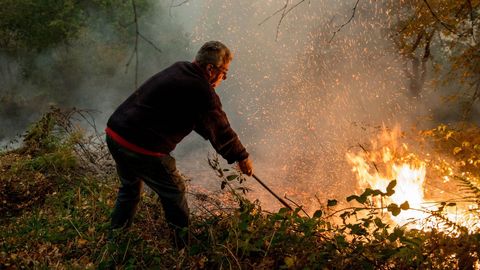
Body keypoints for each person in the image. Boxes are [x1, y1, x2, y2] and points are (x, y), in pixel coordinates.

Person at [105, 40, 253, 247]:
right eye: (224, 72)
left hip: (116, 133)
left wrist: (225, 147)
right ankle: (183, 248)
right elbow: (220, 128)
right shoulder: (203, 91)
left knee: (129, 189)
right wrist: (241, 156)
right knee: (175, 190)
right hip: (140, 147)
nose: (224, 77)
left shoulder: (180, 68)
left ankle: (115, 241)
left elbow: (203, 122)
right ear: (210, 69)